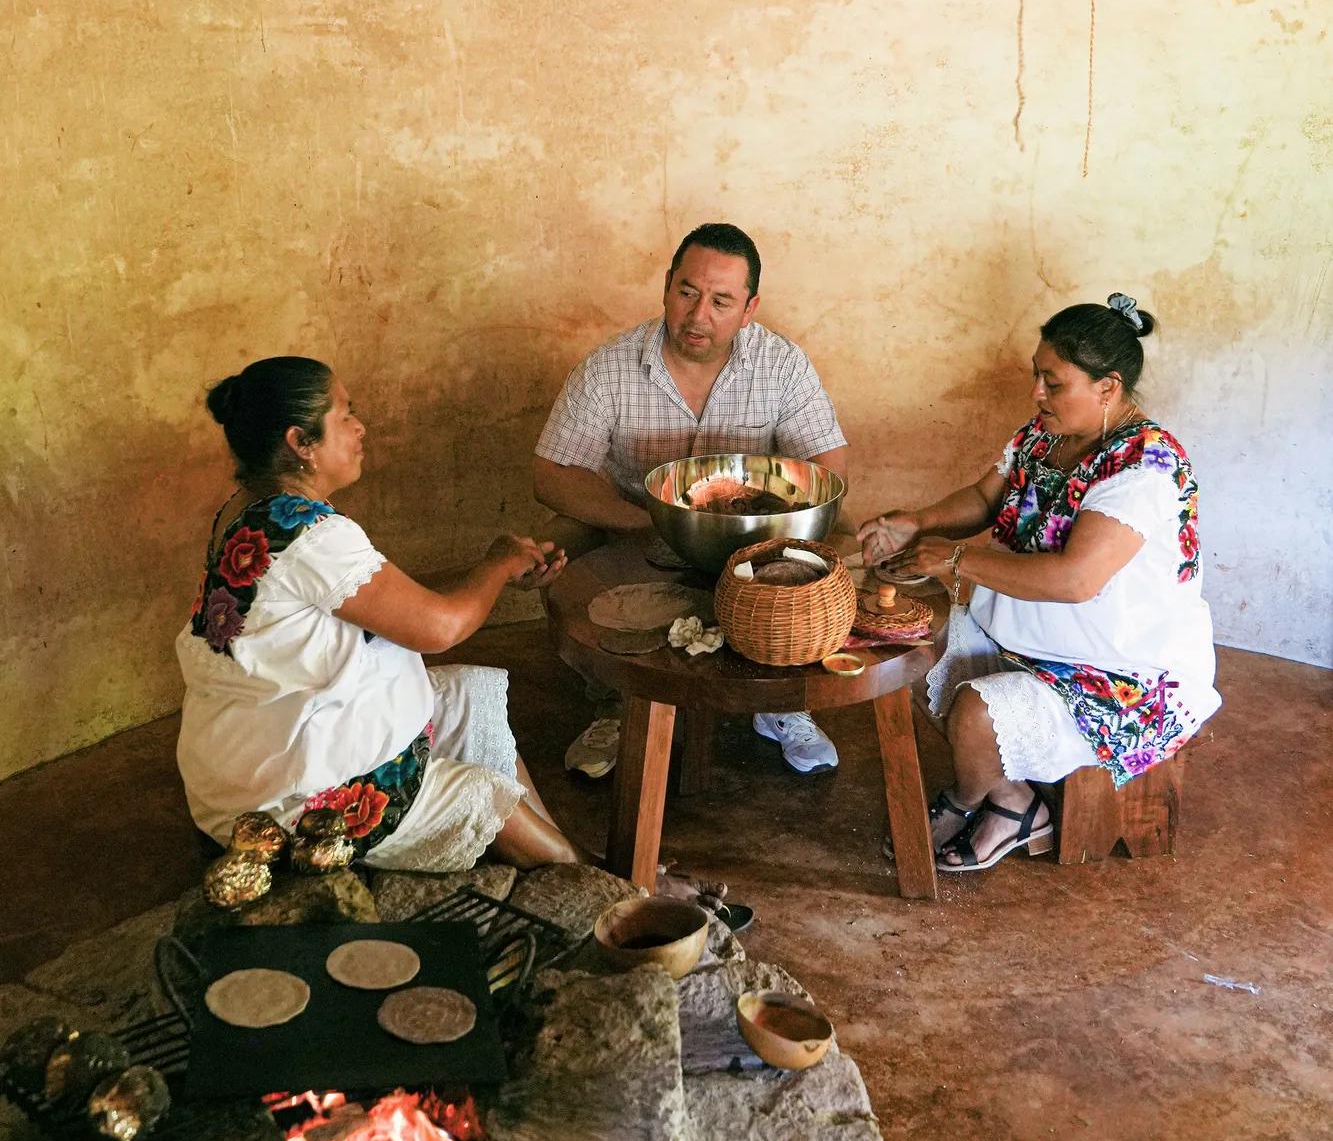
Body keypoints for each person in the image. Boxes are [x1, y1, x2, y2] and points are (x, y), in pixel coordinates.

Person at [177, 356, 591, 873]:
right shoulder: (312, 536)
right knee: (482, 798)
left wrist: (497, 574)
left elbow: (389, 601)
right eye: (344, 415)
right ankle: (598, 884)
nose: (360, 427)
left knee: (466, 696)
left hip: (250, 757)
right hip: (285, 800)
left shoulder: (251, 510)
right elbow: (440, 628)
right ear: (300, 443)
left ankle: (561, 853)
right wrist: (498, 562)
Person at [859, 295, 1219, 874]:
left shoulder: (1145, 469)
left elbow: (1076, 580)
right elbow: (985, 497)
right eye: (1037, 377)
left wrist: (956, 560)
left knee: (975, 715)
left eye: (1053, 382)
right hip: (1033, 631)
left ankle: (982, 799)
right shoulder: (1045, 436)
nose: (1037, 394)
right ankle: (1014, 798)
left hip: (1121, 670)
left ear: (1108, 387)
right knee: (902, 646)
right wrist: (918, 521)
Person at [534, 222, 850, 776]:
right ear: (666, 286)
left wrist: (774, 533)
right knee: (555, 541)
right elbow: (553, 474)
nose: (698, 316)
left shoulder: (782, 365)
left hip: (757, 544)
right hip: (637, 532)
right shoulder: (611, 368)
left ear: (749, 308)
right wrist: (644, 521)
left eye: (721, 301)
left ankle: (781, 702)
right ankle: (616, 699)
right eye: (687, 292)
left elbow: (827, 467)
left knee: (839, 548)